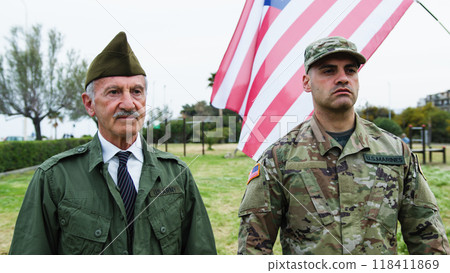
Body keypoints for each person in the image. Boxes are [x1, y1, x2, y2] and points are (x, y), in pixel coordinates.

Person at [237, 36, 449, 255]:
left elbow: (429, 239)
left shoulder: (395, 152)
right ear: (306, 83)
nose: (342, 79)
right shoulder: (279, 157)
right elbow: (254, 249)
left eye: (350, 70)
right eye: (328, 71)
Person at [9, 32, 216, 255]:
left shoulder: (177, 175)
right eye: (114, 92)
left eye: (137, 91)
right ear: (89, 104)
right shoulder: (54, 179)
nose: (128, 103)